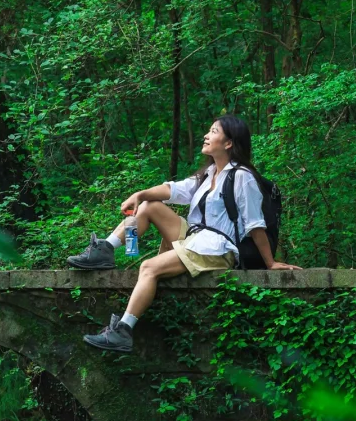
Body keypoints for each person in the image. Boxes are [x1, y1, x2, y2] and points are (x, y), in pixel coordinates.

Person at [67, 114, 298, 352]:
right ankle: (105, 249)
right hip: (196, 238)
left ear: (229, 143)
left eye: (214, 131)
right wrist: (141, 194)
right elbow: (173, 189)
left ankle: (123, 330)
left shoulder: (242, 177)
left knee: (148, 267)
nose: (206, 136)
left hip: (217, 247)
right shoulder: (208, 175)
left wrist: (269, 263)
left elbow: (255, 225)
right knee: (148, 206)